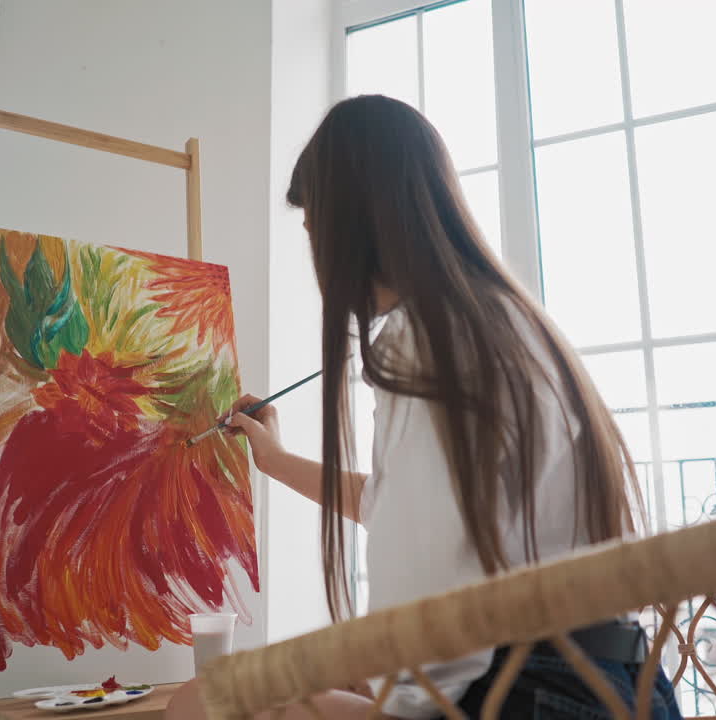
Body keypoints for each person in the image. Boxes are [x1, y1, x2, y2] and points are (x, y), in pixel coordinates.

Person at [166, 94, 682, 719]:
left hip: (535, 695)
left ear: (348, 223)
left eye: (313, 232)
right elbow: (403, 512)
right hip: (618, 686)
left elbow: (428, 593)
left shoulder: (425, 340)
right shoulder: (502, 319)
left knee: (205, 699)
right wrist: (273, 461)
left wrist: (392, 688)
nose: (316, 259)